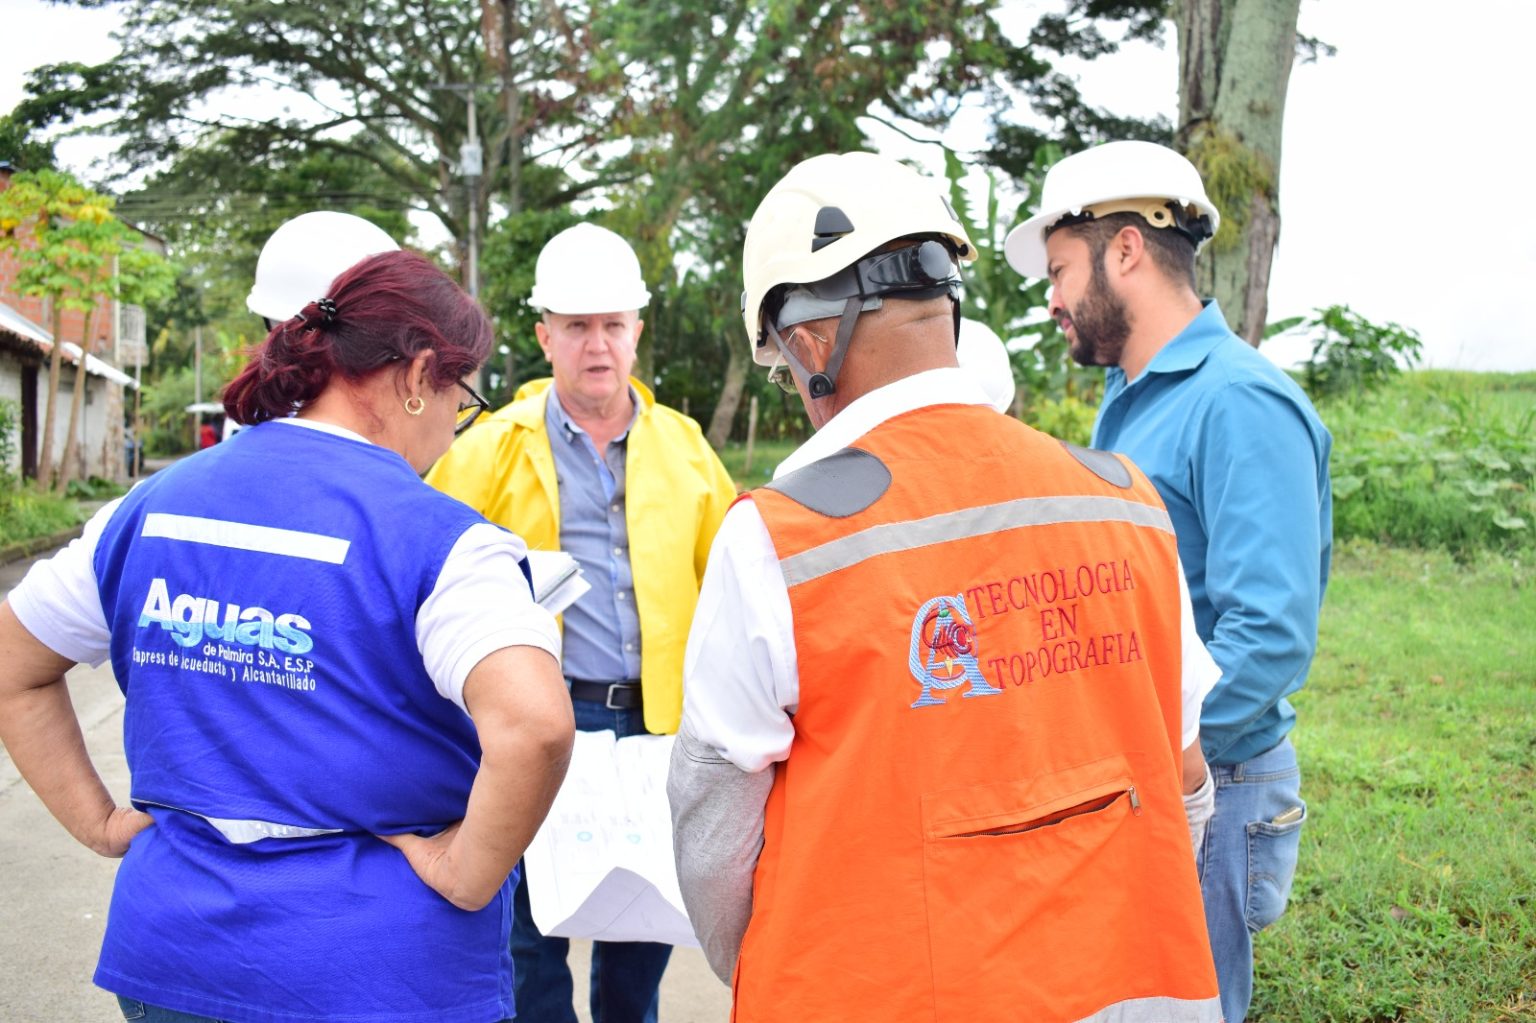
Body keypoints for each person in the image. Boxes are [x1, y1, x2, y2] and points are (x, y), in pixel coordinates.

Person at [667, 151, 1222, 1022]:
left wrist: (771, 957)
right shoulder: (1126, 500)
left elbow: (713, 835)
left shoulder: (779, 538)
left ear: (808, 344)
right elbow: (1185, 777)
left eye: (783, 373)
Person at [0, 249, 575, 1023]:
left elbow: (13, 660)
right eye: (461, 400)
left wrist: (98, 822)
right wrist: (466, 872)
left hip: (173, 959)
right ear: (418, 375)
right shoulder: (442, 541)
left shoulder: (149, 507)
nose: (452, 432)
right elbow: (536, 724)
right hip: (381, 977)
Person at [1004, 139, 1333, 1022]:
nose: (1051, 298)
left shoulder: (1237, 402)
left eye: (1060, 271)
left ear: (1125, 251)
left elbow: (1269, 634)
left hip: (1211, 784)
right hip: (1154, 774)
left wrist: (1162, 762)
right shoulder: (1133, 395)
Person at [426, 222, 737, 1023]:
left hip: (654, 725)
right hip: (538, 720)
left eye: (612, 324)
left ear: (637, 331)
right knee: (530, 932)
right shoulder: (488, 449)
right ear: (545, 336)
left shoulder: (686, 450)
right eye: (576, 326)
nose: (597, 344)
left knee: (643, 926)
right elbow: (428, 577)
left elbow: (734, 583)